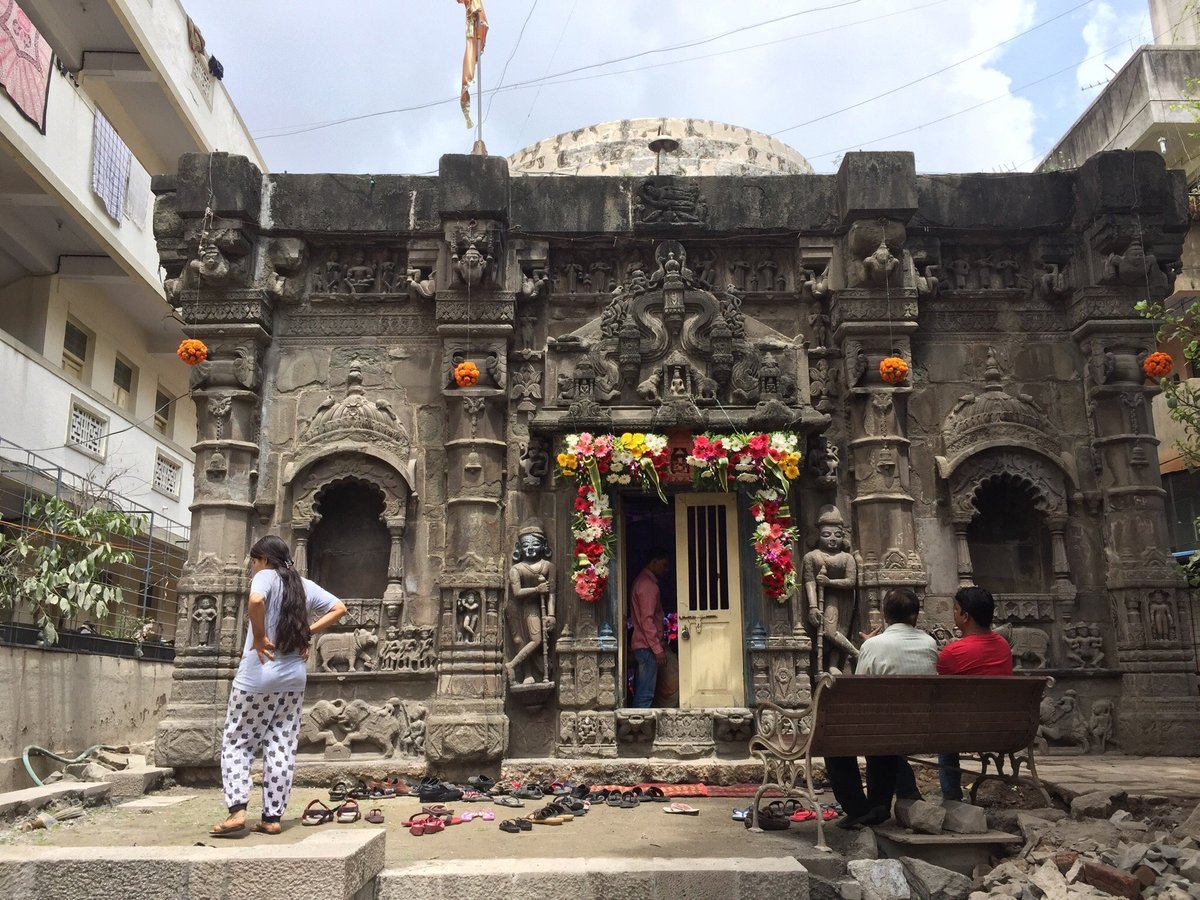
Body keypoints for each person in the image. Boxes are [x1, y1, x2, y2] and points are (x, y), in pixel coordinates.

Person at [210, 535, 346, 837]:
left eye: (254, 561)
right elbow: (339, 608)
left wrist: (259, 637)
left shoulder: (266, 577)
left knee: (238, 742)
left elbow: (256, 600)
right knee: (281, 745)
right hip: (293, 679)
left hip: (257, 677)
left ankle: (237, 811)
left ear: (264, 560)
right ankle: (272, 818)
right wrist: (306, 634)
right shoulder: (302, 584)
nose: (253, 566)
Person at [824, 587, 937, 829]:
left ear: (885, 615)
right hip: (920, 726)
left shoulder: (873, 646)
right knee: (883, 734)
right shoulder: (929, 644)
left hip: (882, 728)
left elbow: (861, 691)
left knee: (835, 740)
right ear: (915, 616)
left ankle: (859, 808)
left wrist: (870, 646)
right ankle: (878, 803)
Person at [935, 585, 1012, 801]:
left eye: (955, 609)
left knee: (945, 739)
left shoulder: (953, 652)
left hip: (963, 730)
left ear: (965, 616)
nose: (953, 613)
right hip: (1002, 728)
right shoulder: (1003, 645)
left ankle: (951, 795)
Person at [630, 547, 669, 708]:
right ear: (654, 562)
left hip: (643, 645)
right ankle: (638, 728)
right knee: (645, 694)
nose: (666, 569)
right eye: (663, 565)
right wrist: (657, 649)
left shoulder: (642, 582)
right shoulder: (648, 586)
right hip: (647, 647)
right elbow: (647, 620)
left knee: (642, 690)